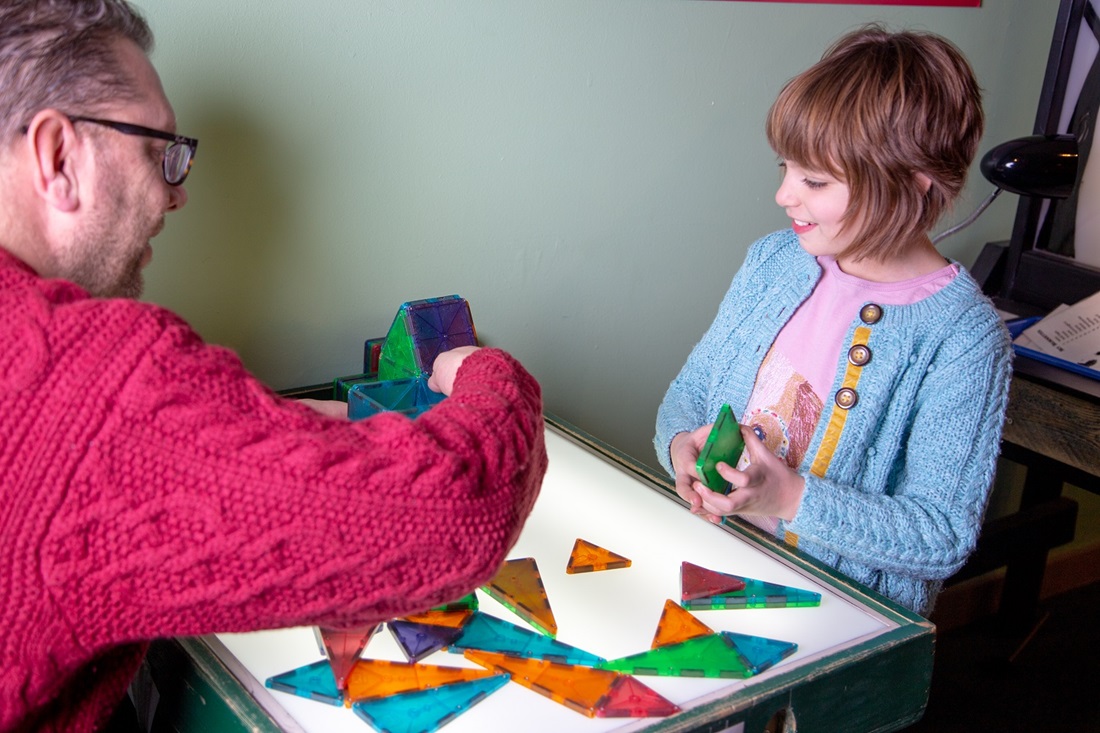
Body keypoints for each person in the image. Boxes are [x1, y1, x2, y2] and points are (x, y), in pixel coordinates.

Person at [0, 2, 547, 731]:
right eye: (160, 151)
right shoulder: (85, 377)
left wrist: (312, 422)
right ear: (57, 156)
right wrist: (488, 374)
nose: (177, 191)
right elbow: (459, 511)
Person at [655, 25, 1012, 617]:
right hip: (707, 567)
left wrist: (792, 498)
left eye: (814, 181)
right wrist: (679, 448)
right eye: (786, 169)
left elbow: (941, 533)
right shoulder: (773, 261)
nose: (784, 196)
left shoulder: (964, 337)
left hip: (836, 616)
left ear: (913, 186)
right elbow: (691, 393)